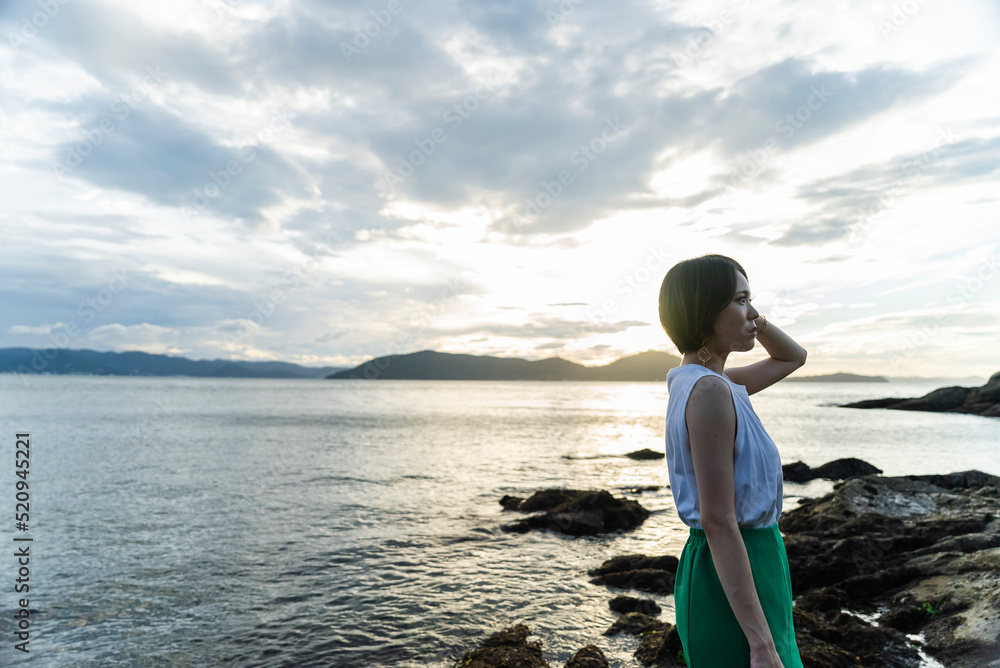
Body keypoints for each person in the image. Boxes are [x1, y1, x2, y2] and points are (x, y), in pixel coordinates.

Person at [658, 254, 807, 668]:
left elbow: (793, 357)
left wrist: (751, 318)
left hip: (757, 562)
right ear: (704, 313)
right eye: (741, 300)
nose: (754, 314)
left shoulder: (719, 383)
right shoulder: (708, 392)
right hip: (731, 569)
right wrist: (760, 644)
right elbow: (718, 520)